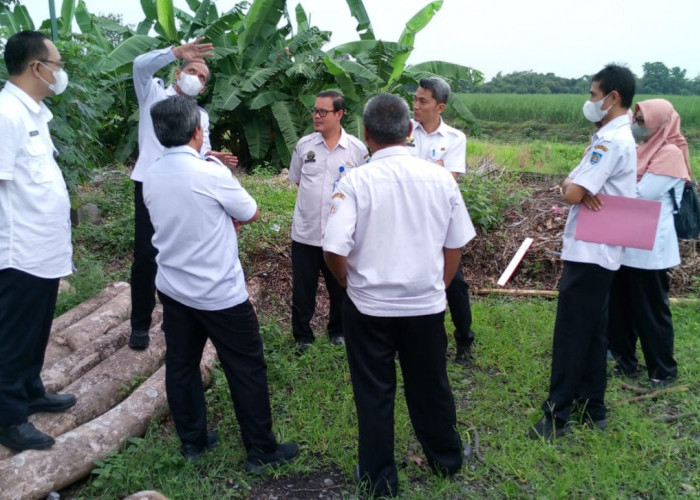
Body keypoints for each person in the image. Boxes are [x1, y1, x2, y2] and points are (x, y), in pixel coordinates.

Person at [323, 93, 475, 497]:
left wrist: (346, 284)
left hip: (369, 306)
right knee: (431, 385)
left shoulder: (354, 181)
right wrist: (440, 285)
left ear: (366, 134)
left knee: (373, 393)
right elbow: (456, 243)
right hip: (424, 306)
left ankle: (377, 479)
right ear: (409, 131)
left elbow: (334, 248)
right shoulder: (440, 178)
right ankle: (446, 459)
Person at [142, 95, 299, 469]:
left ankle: (193, 442)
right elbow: (251, 212)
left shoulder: (151, 174)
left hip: (174, 287)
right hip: (219, 292)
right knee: (246, 367)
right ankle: (261, 450)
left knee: (181, 364)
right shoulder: (210, 174)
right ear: (197, 132)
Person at [529, 65, 638, 441]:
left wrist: (568, 185)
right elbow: (574, 185)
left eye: (594, 95)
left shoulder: (610, 141)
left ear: (613, 98)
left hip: (591, 250)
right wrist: (571, 184)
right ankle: (594, 407)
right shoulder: (611, 137)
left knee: (572, 333)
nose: (590, 102)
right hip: (602, 249)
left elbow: (573, 192)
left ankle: (557, 415)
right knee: (593, 331)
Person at [129, 38, 237, 350]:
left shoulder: (199, 116)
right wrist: (177, 51)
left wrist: (215, 156)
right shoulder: (153, 95)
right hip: (150, 184)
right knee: (146, 257)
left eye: (202, 78)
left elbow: (199, 154)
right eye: (192, 71)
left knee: (180, 251)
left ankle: (177, 319)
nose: (196, 78)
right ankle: (140, 324)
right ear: (178, 72)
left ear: (203, 89)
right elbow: (139, 65)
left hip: (187, 188)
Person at [0, 30, 77, 451]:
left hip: (44, 248)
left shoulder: (34, 113)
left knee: (35, 329)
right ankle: (9, 416)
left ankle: (30, 389)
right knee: (12, 336)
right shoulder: (5, 114)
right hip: (19, 250)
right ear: (36, 67)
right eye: (57, 65)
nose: (59, 73)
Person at [607, 99, 690, 388]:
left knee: (651, 311)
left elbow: (643, 194)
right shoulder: (641, 150)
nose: (639, 127)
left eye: (644, 121)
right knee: (620, 308)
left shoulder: (670, 153)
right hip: (626, 240)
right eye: (637, 120)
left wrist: (607, 191)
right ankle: (624, 361)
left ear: (662, 122)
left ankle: (663, 370)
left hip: (650, 247)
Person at [287, 91, 368, 352]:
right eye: (315, 111)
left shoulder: (356, 150)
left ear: (339, 114)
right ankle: (302, 336)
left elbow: (364, 190)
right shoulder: (305, 146)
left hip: (340, 233)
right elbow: (298, 180)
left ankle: (339, 331)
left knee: (340, 287)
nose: (317, 116)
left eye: (323, 112)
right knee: (303, 290)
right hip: (306, 231)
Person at [408, 76, 475, 365]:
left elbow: (451, 179)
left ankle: (464, 340)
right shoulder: (404, 131)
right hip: (408, 218)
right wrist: (432, 169)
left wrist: (419, 172)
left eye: (423, 101)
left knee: (453, 283)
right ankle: (419, 341)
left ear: (441, 107)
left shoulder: (454, 138)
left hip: (440, 220)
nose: (416, 105)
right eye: (415, 98)